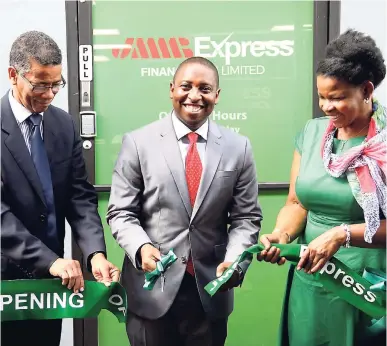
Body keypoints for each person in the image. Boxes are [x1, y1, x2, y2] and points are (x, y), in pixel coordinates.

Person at [107, 56, 262, 346]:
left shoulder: (238, 147)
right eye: (185, 86)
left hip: (210, 289)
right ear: (171, 89)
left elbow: (246, 218)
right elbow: (121, 212)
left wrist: (235, 260)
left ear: (217, 95)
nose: (194, 96)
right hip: (151, 287)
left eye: (204, 88)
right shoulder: (138, 143)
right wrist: (140, 247)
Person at [257, 29, 386, 346]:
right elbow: (297, 204)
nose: (326, 106)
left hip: (365, 286)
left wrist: (341, 234)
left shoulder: (382, 143)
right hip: (311, 277)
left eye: (337, 97)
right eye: (322, 96)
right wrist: (282, 235)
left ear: (366, 90)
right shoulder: (313, 133)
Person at [1, 31, 120, 346]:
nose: (49, 94)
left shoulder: (63, 125)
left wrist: (95, 252)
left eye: (56, 84)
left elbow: (79, 197)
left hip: (49, 286)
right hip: (5, 283)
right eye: (40, 84)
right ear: (13, 75)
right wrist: (49, 260)